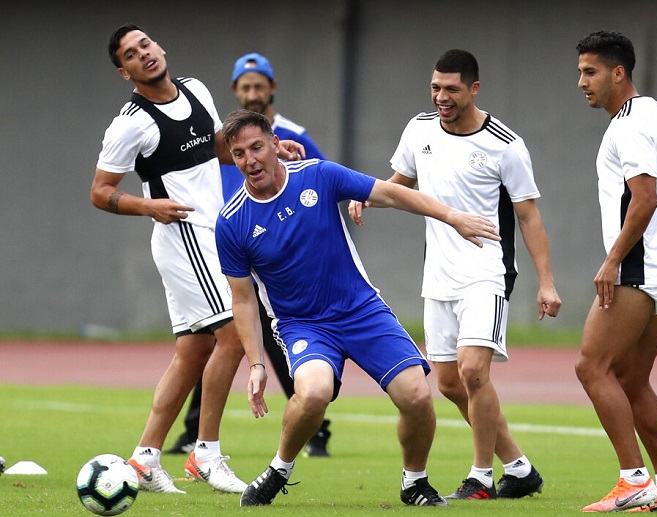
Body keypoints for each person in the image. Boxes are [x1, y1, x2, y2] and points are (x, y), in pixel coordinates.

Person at [215, 109, 501, 507]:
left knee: (418, 398)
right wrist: (257, 365)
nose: (250, 160)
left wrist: (452, 216)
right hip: (303, 324)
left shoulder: (319, 175)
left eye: (257, 147)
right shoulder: (231, 222)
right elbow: (243, 299)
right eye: (240, 153)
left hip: (361, 310)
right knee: (313, 393)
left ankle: (414, 481)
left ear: (275, 145)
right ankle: (279, 468)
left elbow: (391, 193)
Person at [90, 25, 302, 495]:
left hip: (212, 231)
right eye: (130, 54)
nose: (142, 54)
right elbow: (100, 193)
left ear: (160, 47)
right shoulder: (131, 123)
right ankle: (205, 452)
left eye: (145, 44)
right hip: (183, 235)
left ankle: (145, 458)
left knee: (193, 351)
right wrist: (149, 206)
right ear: (124, 72)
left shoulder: (197, 90)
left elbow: (221, 150)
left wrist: (268, 156)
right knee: (231, 335)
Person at [349, 49, 561, 501]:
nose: (441, 97)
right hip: (438, 275)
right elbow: (399, 182)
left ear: (474, 89)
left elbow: (529, 216)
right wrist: (366, 195)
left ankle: (481, 476)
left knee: (473, 373)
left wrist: (546, 281)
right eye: (435, 88)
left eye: (451, 89)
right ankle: (520, 469)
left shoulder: (505, 144)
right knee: (448, 383)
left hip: (488, 272)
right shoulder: (419, 129)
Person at [167, 52, 331, 458]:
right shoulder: (223, 138)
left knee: (268, 339)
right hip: (234, 247)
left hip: (276, 254)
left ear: (272, 88)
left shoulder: (293, 134)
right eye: (246, 87)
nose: (253, 93)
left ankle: (315, 425)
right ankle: (195, 433)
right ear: (235, 91)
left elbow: (322, 182)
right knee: (219, 337)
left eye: (259, 86)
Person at [574, 31, 657, 513]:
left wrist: (612, 260)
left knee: (591, 366)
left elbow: (647, 198)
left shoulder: (627, 126)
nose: (581, 81)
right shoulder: (653, 111)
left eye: (590, 72)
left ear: (618, 72)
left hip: (639, 267)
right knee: (630, 377)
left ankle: (633, 479)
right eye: (581, 71)